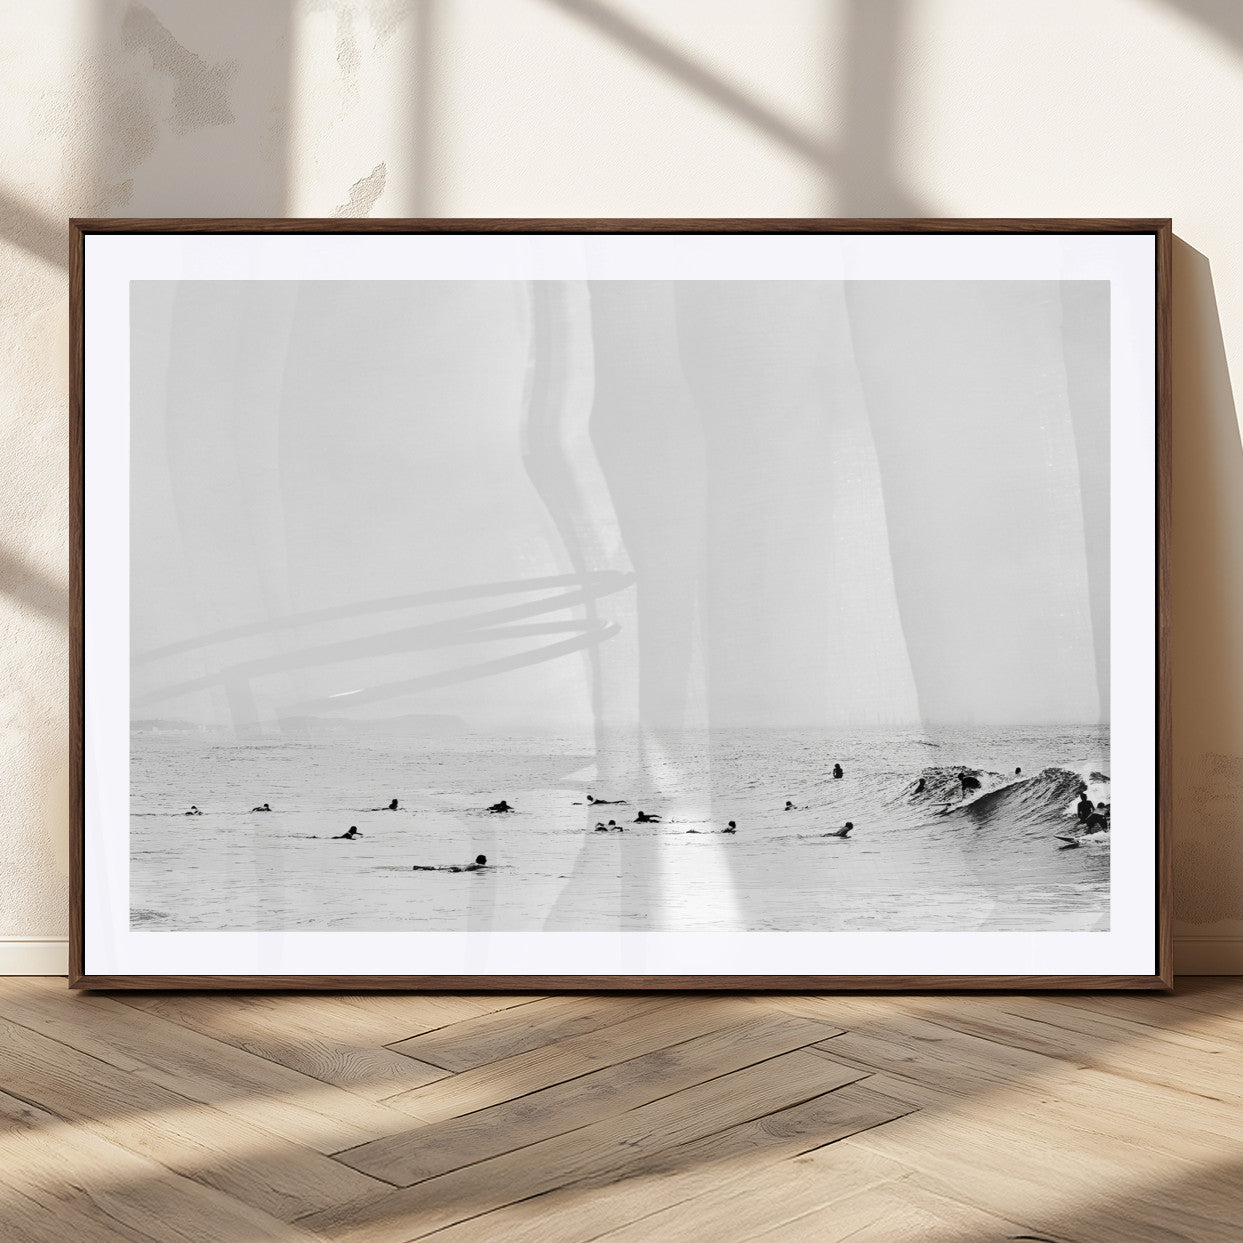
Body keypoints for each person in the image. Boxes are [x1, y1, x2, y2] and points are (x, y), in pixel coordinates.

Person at [413, 854, 489, 872]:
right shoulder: (478, 865)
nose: (486, 861)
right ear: (482, 861)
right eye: (485, 859)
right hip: (458, 870)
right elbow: (484, 867)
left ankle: (419, 867)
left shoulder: (472, 864)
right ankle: (420, 867)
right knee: (438, 869)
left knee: (438, 869)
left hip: (457, 868)